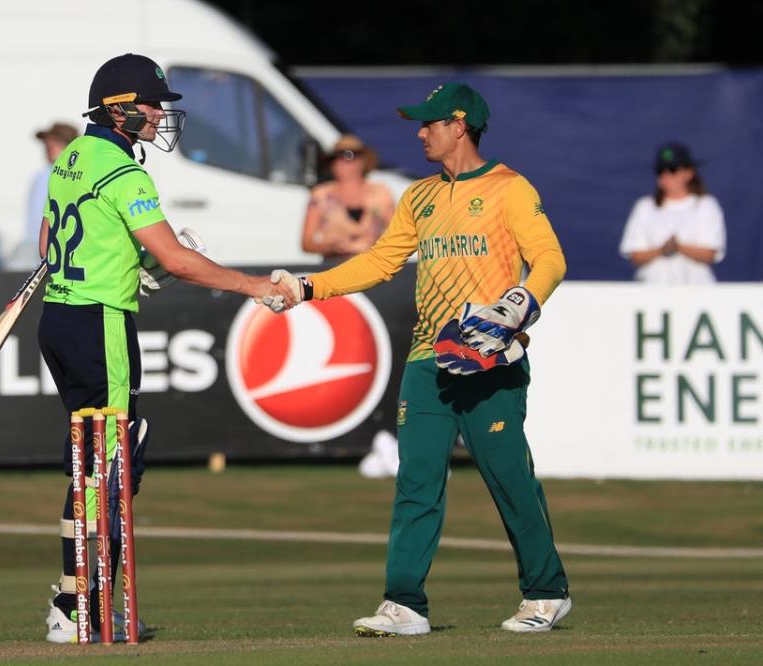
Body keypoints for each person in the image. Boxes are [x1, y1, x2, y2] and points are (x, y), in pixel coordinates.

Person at [271, 82, 571, 635]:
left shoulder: (509, 188)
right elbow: (382, 261)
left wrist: (523, 301)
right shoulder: (420, 196)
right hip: (427, 358)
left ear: (460, 125)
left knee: (507, 476)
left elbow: (549, 256)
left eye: (430, 123)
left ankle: (545, 592)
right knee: (416, 481)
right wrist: (309, 288)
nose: (420, 131)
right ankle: (404, 603)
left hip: (491, 362)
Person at [38, 53, 292, 644]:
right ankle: (84, 606)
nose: (159, 115)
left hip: (61, 317)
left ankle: (76, 600)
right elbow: (177, 258)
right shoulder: (125, 172)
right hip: (101, 321)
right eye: (152, 105)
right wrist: (255, 286)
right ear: (121, 109)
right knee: (116, 461)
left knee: (93, 461)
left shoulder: (72, 157)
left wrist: (137, 263)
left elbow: (51, 238)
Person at [619, 142, 726, 283]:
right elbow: (635, 254)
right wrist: (662, 250)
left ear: (689, 173)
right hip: (651, 291)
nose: (666, 175)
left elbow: (710, 253)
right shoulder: (644, 207)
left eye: (673, 169)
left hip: (696, 291)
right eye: (660, 171)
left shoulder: (706, 205)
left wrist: (678, 247)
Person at [301, 134, 395, 262]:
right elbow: (307, 243)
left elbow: (396, 234)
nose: (341, 162)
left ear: (362, 161)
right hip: (335, 267)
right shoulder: (320, 195)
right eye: (335, 158)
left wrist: (375, 246)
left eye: (349, 156)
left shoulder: (380, 192)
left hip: (373, 267)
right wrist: (333, 247)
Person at [27, 122, 80, 244]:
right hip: (43, 248)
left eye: (55, 143)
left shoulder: (75, 175)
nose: (48, 146)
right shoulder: (43, 176)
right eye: (47, 143)